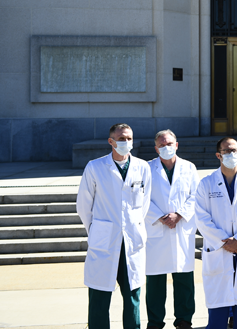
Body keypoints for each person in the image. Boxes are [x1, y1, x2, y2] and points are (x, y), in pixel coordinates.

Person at [76, 123, 152, 329]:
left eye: (129, 138)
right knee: (100, 297)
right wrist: (95, 231)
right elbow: (83, 205)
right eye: (121, 139)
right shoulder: (95, 167)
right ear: (111, 141)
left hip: (132, 241)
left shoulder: (142, 167)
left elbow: (143, 205)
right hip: (104, 242)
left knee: (133, 296)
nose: (126, 142)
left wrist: (133, 226)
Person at [194, 137, 237, 329]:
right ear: (218, 155)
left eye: (236, 151)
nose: (233, 155)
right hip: (220, 251)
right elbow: (201, 218)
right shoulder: (206, 184)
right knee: (218, 314)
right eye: (227, 151)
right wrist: (224, 242)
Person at [145, 130, 200, 329]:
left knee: (184, 278)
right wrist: (160, 216)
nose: (166, 147)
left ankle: (184, 319)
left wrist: (179, 214)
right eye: (161, 144)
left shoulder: (189, 167)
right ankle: (155, 321)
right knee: (155, 281)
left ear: (176, 145)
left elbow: (196, 195)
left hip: (181, 227)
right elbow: (141, 197)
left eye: (169, 143)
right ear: (156, 148)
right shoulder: (147, 168)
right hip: (156, 228)